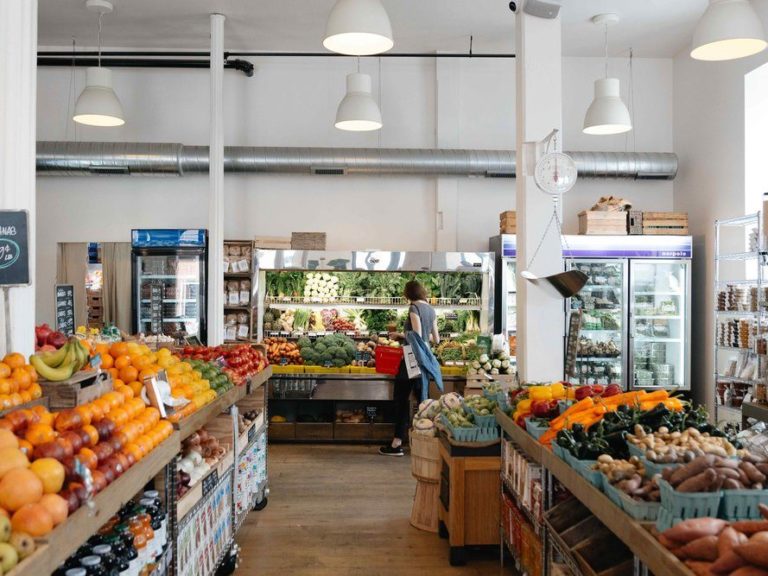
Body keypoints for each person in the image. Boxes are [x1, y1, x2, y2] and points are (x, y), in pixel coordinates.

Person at [379, 280, 440, 457]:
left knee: (401, 400)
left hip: (411, 359)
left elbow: (417, 335)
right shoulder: (430, 309)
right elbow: (435, 339)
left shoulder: (414, 308)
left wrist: (399, 334)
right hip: (425, 360)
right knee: (423, 401)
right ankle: (425, 442)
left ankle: (397, 443)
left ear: (408, 294)